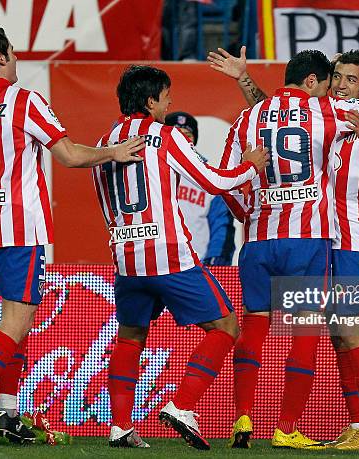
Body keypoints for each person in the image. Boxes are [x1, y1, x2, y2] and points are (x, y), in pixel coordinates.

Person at [0, 27, 145, 448]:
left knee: (17, 320)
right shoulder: (24, 100)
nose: (16, 58)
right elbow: (69, 155)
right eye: (12, 52)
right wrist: (114, 151)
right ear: (0, 57)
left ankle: (9, 415)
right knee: (17, 320)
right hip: (19, 224)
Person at [208, 47, 359, 451]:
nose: (342, 85)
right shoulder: (322, 117)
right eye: (338, 78)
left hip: (354, 241)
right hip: (317, 240)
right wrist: (244, 79)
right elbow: (279, 111)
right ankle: (356, 425)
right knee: (334, 336)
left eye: (352, 79)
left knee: (351, 333)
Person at [91, 65, 268, 450]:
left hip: (125, 258)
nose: (170, 103)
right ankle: (183, 405)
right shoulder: (165, 136)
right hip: (170, 256)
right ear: (151, 100)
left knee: (131, 336)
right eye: (167, 96)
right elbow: (214, 182)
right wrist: (250, 165)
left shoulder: (105, 143)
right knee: (225, 326)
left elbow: (106, 203)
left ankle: (120, 427)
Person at [164, 111, 236, 265]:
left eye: (188, 135)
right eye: (177, 134)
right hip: (159, 265)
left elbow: (221, 223)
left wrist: (216, 261)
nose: (183, 139)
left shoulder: (208, 175)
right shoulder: (151, 171)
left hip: (198, 266)